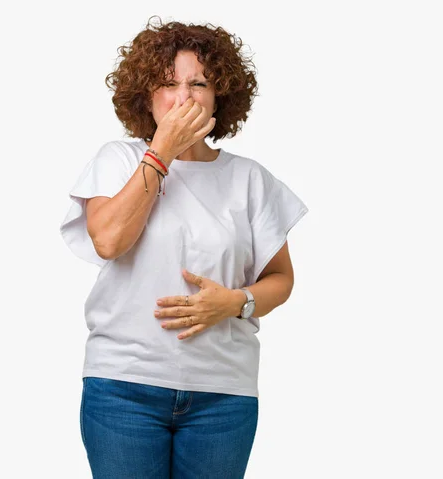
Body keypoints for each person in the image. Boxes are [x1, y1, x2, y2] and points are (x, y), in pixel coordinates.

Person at [60, 16, 308, 479]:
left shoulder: (250, 179)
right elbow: (109, 240)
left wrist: (235, 303)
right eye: (169, 84)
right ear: (147, 95)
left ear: (220, 96)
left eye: (199, 83)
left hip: (223, 396)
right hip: (123, 388)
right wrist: (162, 151)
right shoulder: (116, 162)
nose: (185, 97)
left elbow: (282, 279)